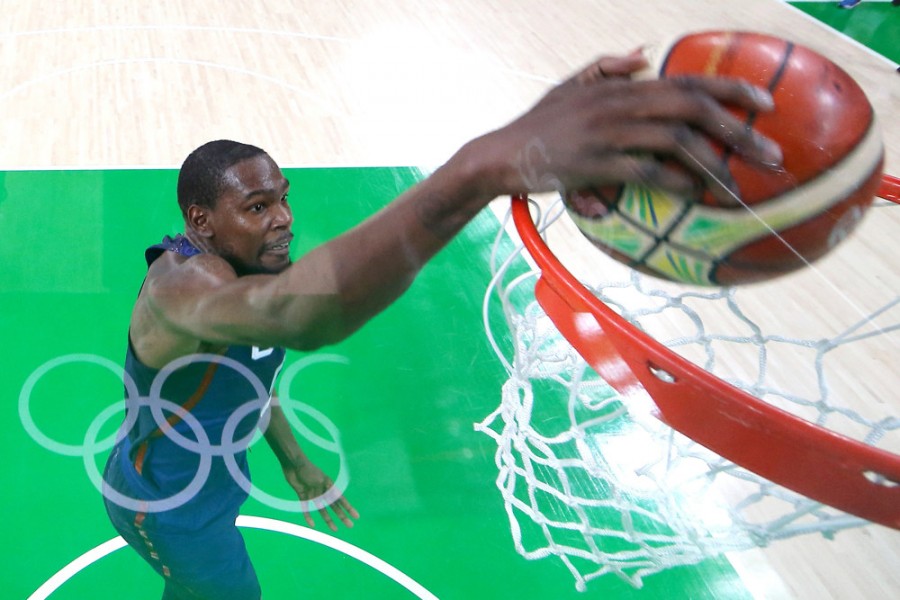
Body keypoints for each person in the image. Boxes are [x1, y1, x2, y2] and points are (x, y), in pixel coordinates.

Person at [101, 50, 782, 599]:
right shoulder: (180, 288)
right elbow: (294, 317)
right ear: (200, 222)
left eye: (283, 199)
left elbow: (251, 371)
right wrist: (477, 171)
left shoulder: (249, 263)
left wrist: (296, 459)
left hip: (216, 477)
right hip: (164, 501)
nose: (283, 219)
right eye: (257, 207)